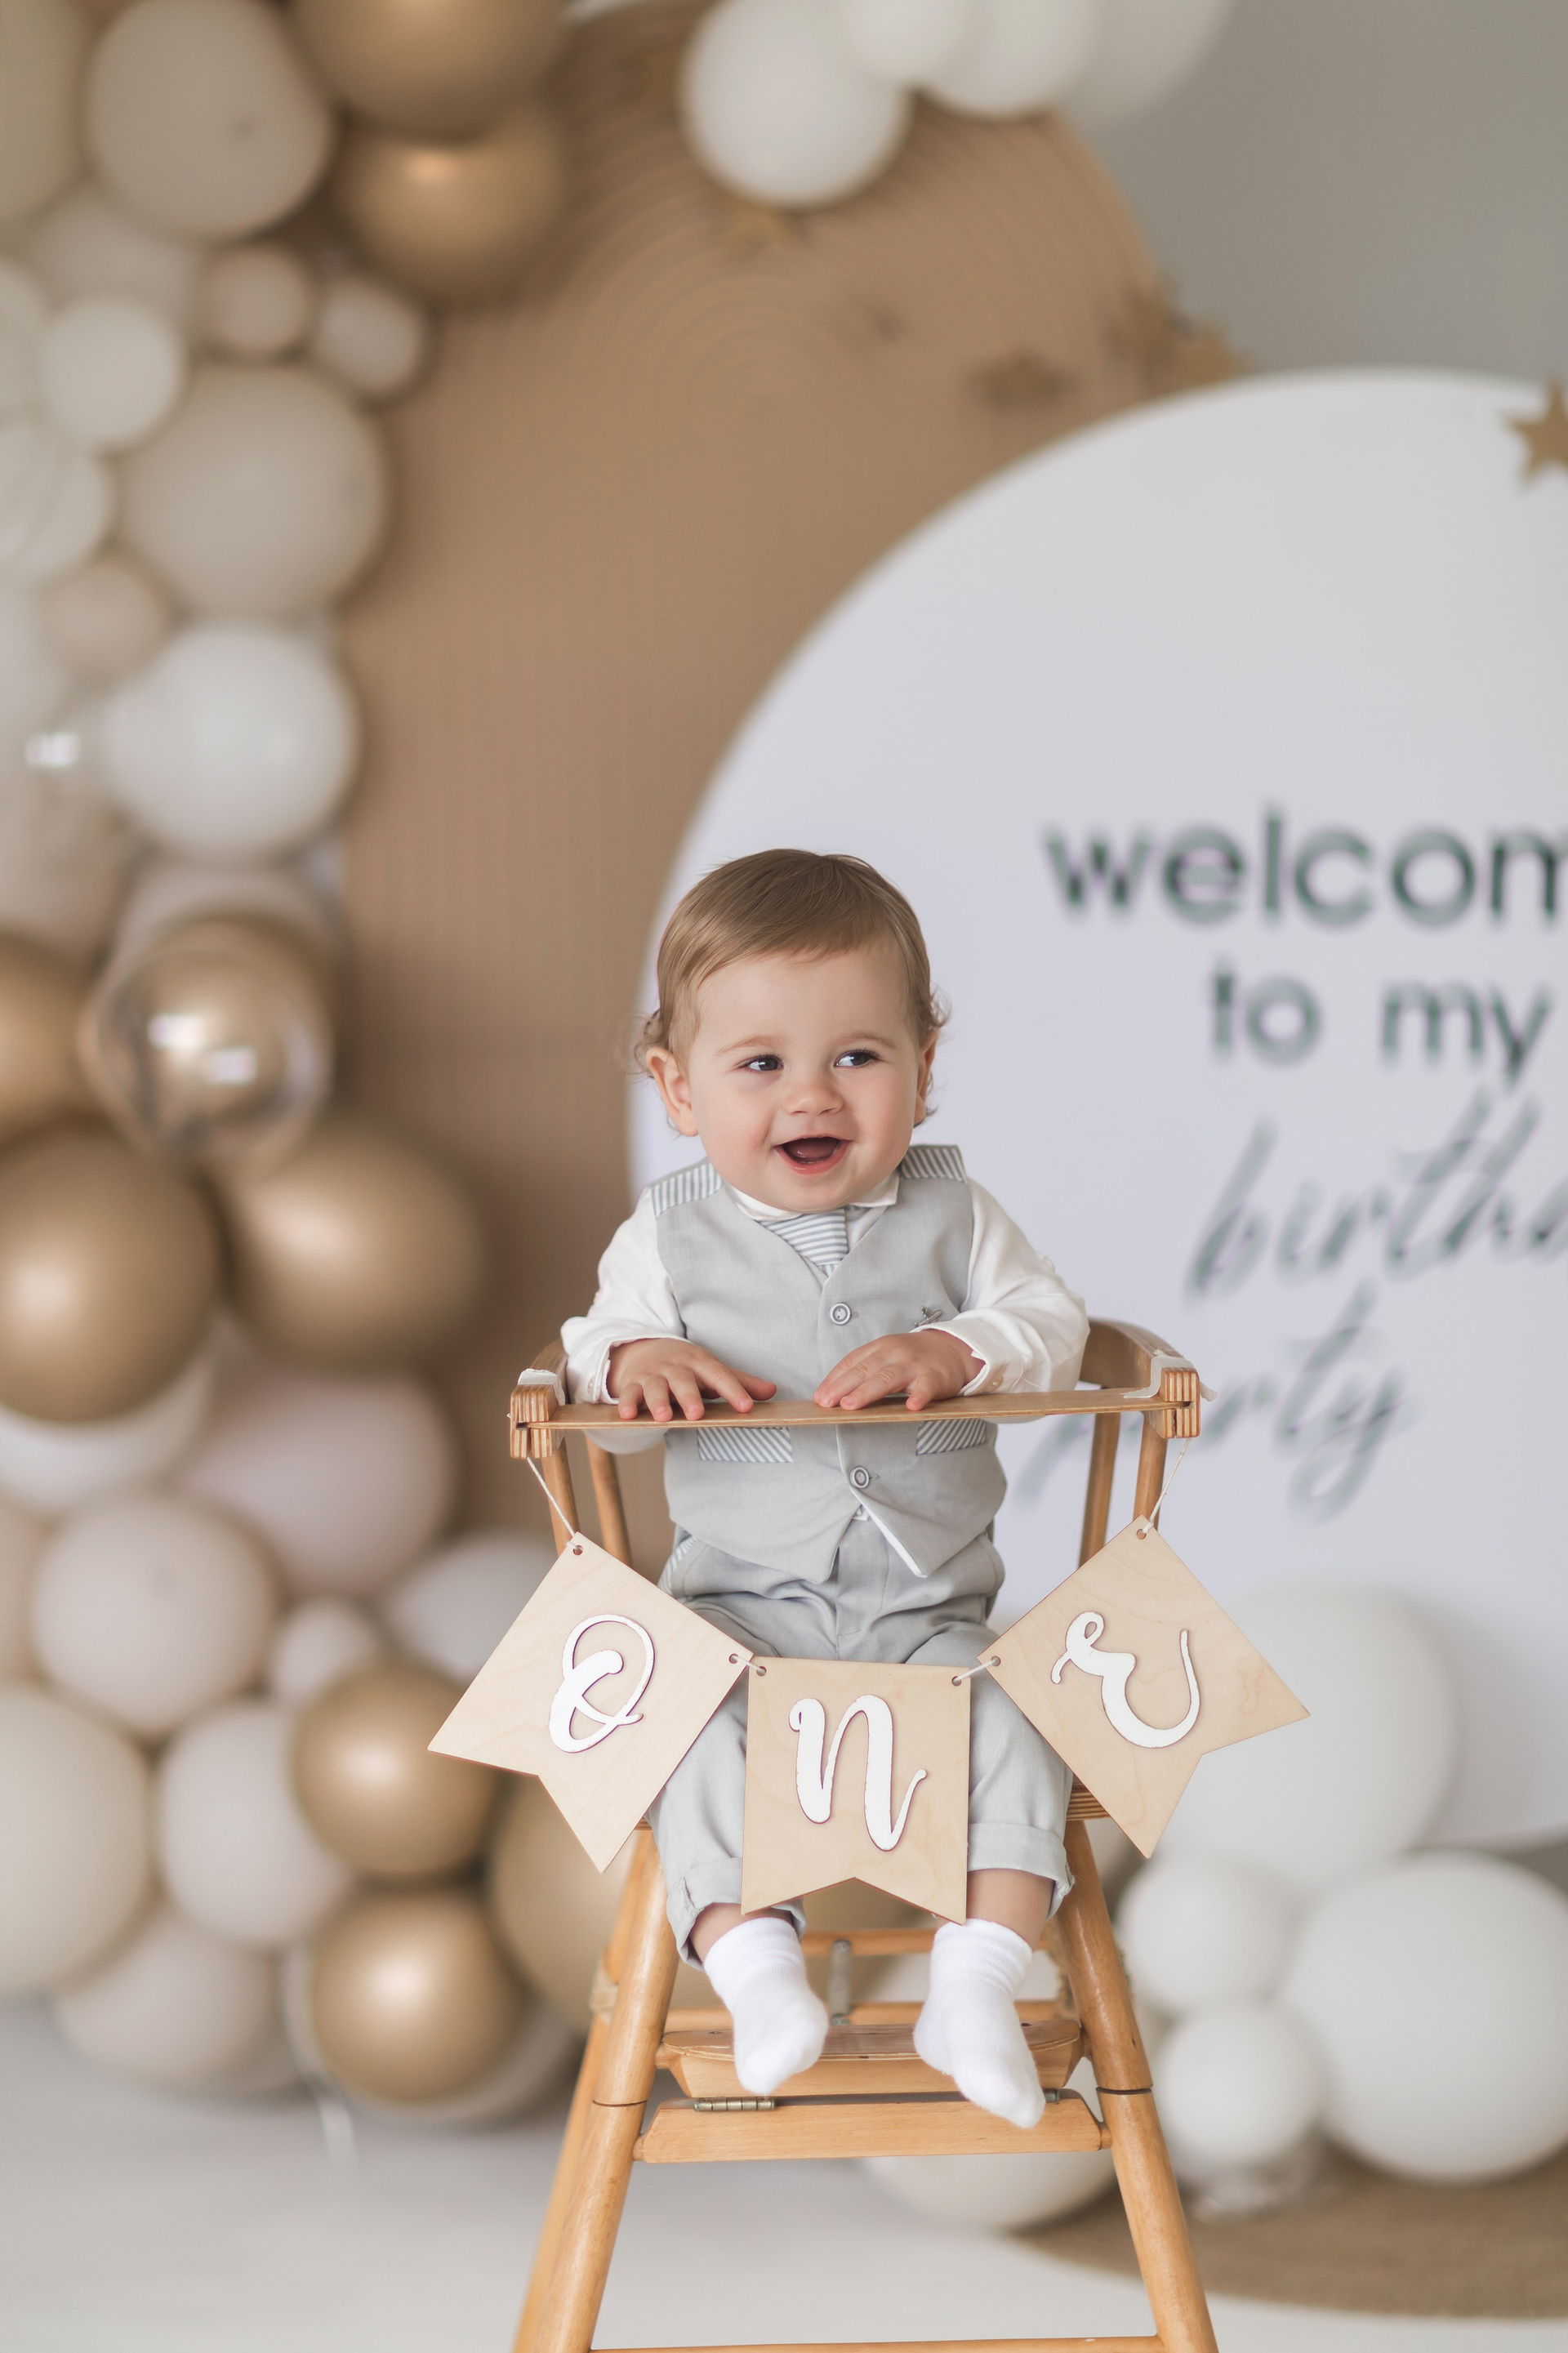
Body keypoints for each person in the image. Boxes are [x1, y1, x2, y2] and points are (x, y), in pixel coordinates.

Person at [561, 849, 1087, 2128]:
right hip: (739, 1617)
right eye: (761, 1064)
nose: (813, 1094)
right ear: (678, 1087)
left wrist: (958, 1347)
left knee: (1024, 1722)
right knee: (681, 1732)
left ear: (924, 1064)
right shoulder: (667, 1234)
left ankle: (977, 1978)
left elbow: (1050, 1323)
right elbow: (589, 1351)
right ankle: (756, 1969)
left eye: (858, 1056)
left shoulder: (959, 1214)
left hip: (929, 1617)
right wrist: (635, 1361)